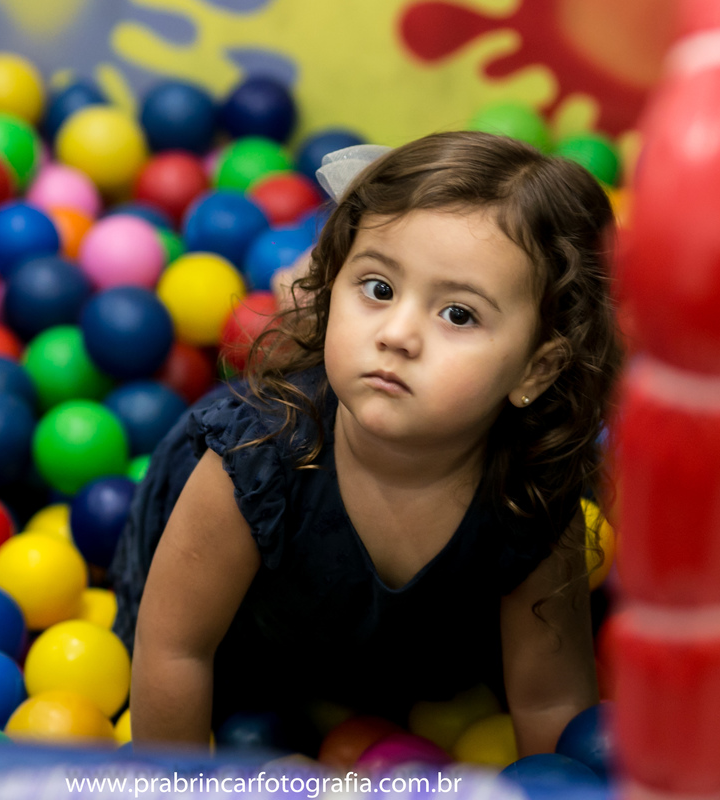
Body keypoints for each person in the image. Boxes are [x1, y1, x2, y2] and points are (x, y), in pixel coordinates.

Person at [109, 130, 622, 757]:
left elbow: (550, 702)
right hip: (246, 638)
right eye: (377, 289)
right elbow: (176, 650)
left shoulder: (533, 493)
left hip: (402, 668)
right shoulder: (254, 459)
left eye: (458, 314)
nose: (398, 335)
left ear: (534, 372)